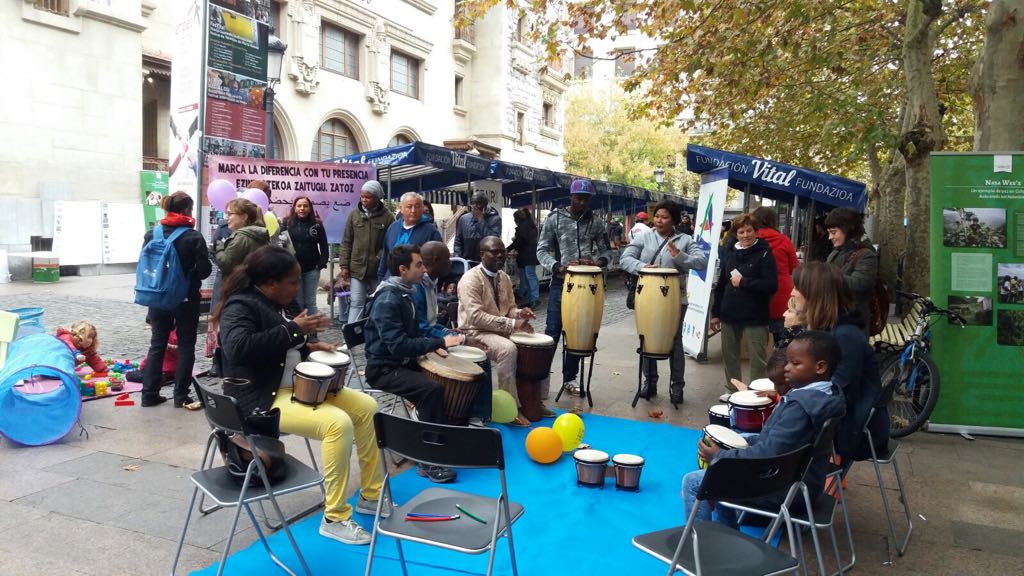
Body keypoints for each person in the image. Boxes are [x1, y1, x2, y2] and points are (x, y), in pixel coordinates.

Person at [216, 246, 384, 545]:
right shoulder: (241, 306)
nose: (297, 287)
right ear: (270, 283)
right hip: (261, 397)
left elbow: (284, 347)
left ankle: (371, 496)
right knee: (337, 424)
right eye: (292, 282)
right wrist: (295, 331)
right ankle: (335, 517)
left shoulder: (281, 303)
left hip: (295, 385)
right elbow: (239, 348)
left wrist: (309, 346)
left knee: (366, 406)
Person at [682, 330, 846, 527]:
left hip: (784, 489)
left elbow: (768, 454)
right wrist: (738, 444)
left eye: (795, 363)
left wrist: (720, 456)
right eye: (787, 362)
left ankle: (700, 549)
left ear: (820, 367)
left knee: (695, 482)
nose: (786, 368)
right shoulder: (828, 396)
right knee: (732, 455)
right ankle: (724, 540)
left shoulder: (801, 409)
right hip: (802, 483)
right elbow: (775, 443)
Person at [364, 244, 464, 483]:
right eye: (418, 265)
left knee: (450, 376)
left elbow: (412, 335)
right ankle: (427, 459)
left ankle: (440, 436)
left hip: (401, 362)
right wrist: (438, 342)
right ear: (402, 269)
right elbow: (397, 345)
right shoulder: (388, 299)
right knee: (431, 389)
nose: (423, 269)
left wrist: (436, 342)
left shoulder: (404, 292)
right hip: (384, 368)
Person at [789, 262, 888, 462]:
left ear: (815, 294)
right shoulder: (834, 329)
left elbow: (838, 395)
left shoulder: (845, 336)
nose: (792, 292)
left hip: (848, 433)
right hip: (838, 423)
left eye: (798, 288)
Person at [620, 201, 708, 407]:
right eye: (657, 216)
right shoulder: (644, 236)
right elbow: (625, 258)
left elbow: (701, 261)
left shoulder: (685, 239)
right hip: (647, 297)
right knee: (647, 339)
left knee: (675, 342)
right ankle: (649, 383)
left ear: (674, 220)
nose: (659, 220)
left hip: (675, 299)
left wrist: (680, 256)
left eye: (665, 217)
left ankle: (677, 387)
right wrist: (642, 267)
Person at [458, 236, 551, 427]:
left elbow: (509, 308)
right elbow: (475, 317)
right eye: (495, 252)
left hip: (499, 329)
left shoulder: (504, 277)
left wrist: (520, 313)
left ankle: (536, 401)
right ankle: (511, 409)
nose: (501, 255)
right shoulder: (469, 280)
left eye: (503, 251)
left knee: (543, 345)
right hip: (475, 332)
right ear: (482, 254)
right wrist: (512, 324)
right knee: (507, 349)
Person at [536, 178, 611, 396]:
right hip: (561, 283)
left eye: (586, 199)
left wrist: (598, 262)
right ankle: (542, 379)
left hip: (588, 285)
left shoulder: (596, 222)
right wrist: (557, 267)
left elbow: (608, 251)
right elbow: (541, 250)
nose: (582, 203)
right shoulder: (555, 219)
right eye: (579, 198)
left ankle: (570, 378)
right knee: (552, 331)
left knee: (578, 333)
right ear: (571, 197)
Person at [140, 192, 212, 408]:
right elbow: (205, 271)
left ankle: (149, 394)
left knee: (157, 344)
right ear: (187, 210)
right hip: (185, 298)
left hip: (157, 296)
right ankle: (181, 395)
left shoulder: (152, 233)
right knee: (186, 345)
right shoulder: (192, 236)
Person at [414, 241, 493, 426]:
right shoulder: (418, 287)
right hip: (422, 343)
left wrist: (449, 331)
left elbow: (430, 324)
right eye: (447, 259)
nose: (451, 263)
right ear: (435, 260)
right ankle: (473, 416)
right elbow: (421, 328)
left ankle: (476, 414)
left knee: (481, 355)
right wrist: (460, 338)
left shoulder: (430, 282)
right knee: (479, 358)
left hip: (429, 336)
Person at [710, 213, 778, 396]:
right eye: (741, 231)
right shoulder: (730, 252)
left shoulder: (764, 253)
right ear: (736, 234)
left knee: (758, 359)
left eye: (749, 231)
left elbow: (771, 285)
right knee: (730, 356)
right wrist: (715, 313)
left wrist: (744, 282)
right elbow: (722, 285)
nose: (746, 235)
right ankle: (733, 390)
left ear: (756, 232)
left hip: (755, 314)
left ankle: (756, 394)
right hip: (729, 312)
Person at [337, 181, 394, 324]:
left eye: (367, 197)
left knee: (379, 303)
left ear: (376, 197)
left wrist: (378, 257)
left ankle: (376, 335)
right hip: (357, 268)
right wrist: (344, 266)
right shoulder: (354, 215)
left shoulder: (388, 217)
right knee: (356, 302)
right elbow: (347, 241)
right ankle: (351, 337)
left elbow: (390, 244)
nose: (364, 200)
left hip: (378, 269)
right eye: (362, 197)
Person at [824, 207, 878, 334]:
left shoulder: (867, 255)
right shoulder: (837, 252)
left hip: (853, 323)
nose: (829, 237)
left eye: (833, 232)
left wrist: (825, 275)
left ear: (847, 230)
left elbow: (860, 283)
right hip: (835, 317)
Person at [752, 206, 800, 343]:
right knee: (782, 339)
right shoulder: (784, 240)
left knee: (756, 341)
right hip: (781, 294)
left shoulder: (750, 240)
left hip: (756, 293)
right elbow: (795, 269)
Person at [377, 192, 442, 281]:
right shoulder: (393, 228)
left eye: (417, 206)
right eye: (409, 206)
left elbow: (439, 261)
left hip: (417, 284)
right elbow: (385, 256)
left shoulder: (431, 231)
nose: (413, 210)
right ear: (401, 208)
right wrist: (381, 279)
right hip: (391, 282)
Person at [285, 196, 329, 316]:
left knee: (310, 302)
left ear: (310, 208)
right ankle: (301, 332)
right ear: (294, 208)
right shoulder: (286, 223)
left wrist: (320, 264)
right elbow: (281, 244)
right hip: (293, 270)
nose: (302, 208)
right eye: (299, 206)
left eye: (305, 206)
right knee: (298, 301)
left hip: (312, 270)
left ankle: (312, 333)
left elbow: (324, 246)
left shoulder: (317, 224)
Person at [214, 198, 270, 277]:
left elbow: (226, 265)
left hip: (240, 285)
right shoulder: (256, 233)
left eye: (230, 214)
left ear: (244, 217)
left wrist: (219, 247)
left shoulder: (242, 237)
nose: (226, 218)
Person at [454, 192, 501, 262]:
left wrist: (481, 220)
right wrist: (459, 258)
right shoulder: (463, 219)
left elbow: (492, 241)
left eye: (479, 203)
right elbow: (458, 241)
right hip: (467, 261)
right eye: (473, 203)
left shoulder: (495, 219)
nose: (475, 206)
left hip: (486, 262)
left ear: (485, 205)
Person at [507, 208, 540, 309]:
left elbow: (519, 242)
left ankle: (534, 299)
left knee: (530, 276)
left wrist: (508, 249)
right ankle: (531, 299)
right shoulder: (530, 226)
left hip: (527, 256)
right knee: (529, 277)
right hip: (531, 255)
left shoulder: (523, 228)